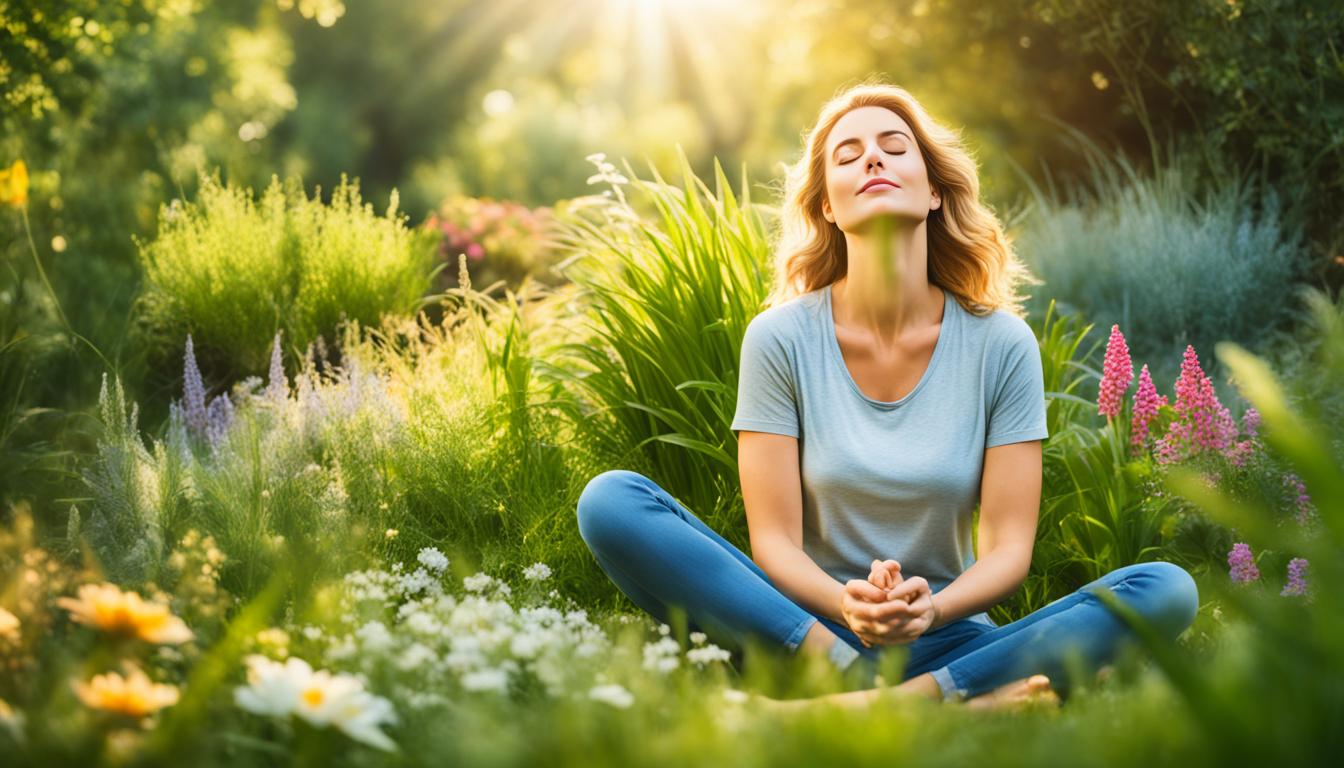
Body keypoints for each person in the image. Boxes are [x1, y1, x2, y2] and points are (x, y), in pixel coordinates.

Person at [575, 80, 1199, 711]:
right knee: (611, 501)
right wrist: (846, 603)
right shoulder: (780, 338)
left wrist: (932, 609)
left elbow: (1009, 550)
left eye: (894, 147)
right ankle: (945, 705)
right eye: (846, 156)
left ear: (933, 191)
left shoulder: (1001, 344)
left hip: (947, 636)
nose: (871, 158)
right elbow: (775, 544)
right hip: (809, 632)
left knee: (1166, 588)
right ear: (826, 208)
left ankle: (871, 708)